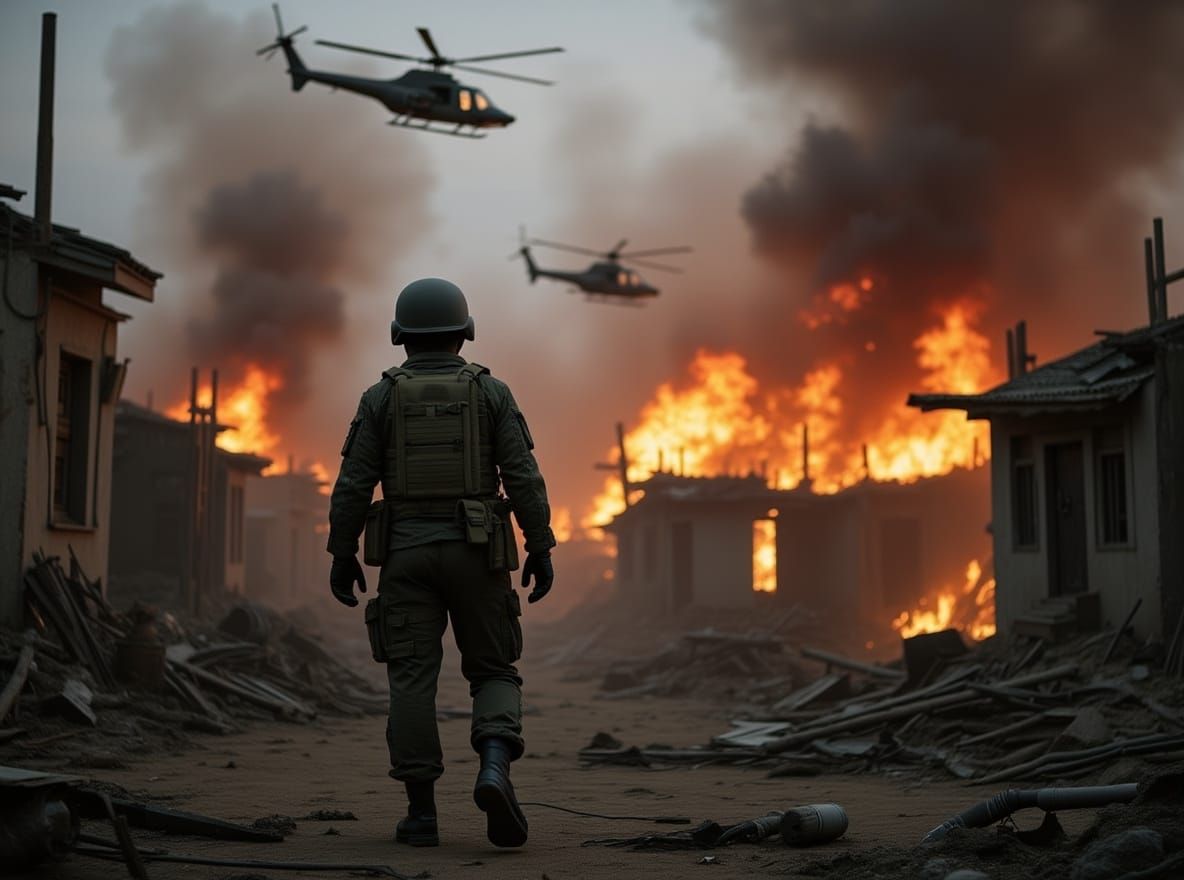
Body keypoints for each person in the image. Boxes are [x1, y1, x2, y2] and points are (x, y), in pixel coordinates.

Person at [325, 277, 555, 849]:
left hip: (404, 555)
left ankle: (421, 815)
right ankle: (494, 767)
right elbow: (522, 476)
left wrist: (341, 552)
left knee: (410, 680)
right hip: (479, 555)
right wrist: (541, 545)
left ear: (400, 334)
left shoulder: (379, 397)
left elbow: (353, 483)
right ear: (464, 332)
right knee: (495, 669)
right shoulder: (491, 392)